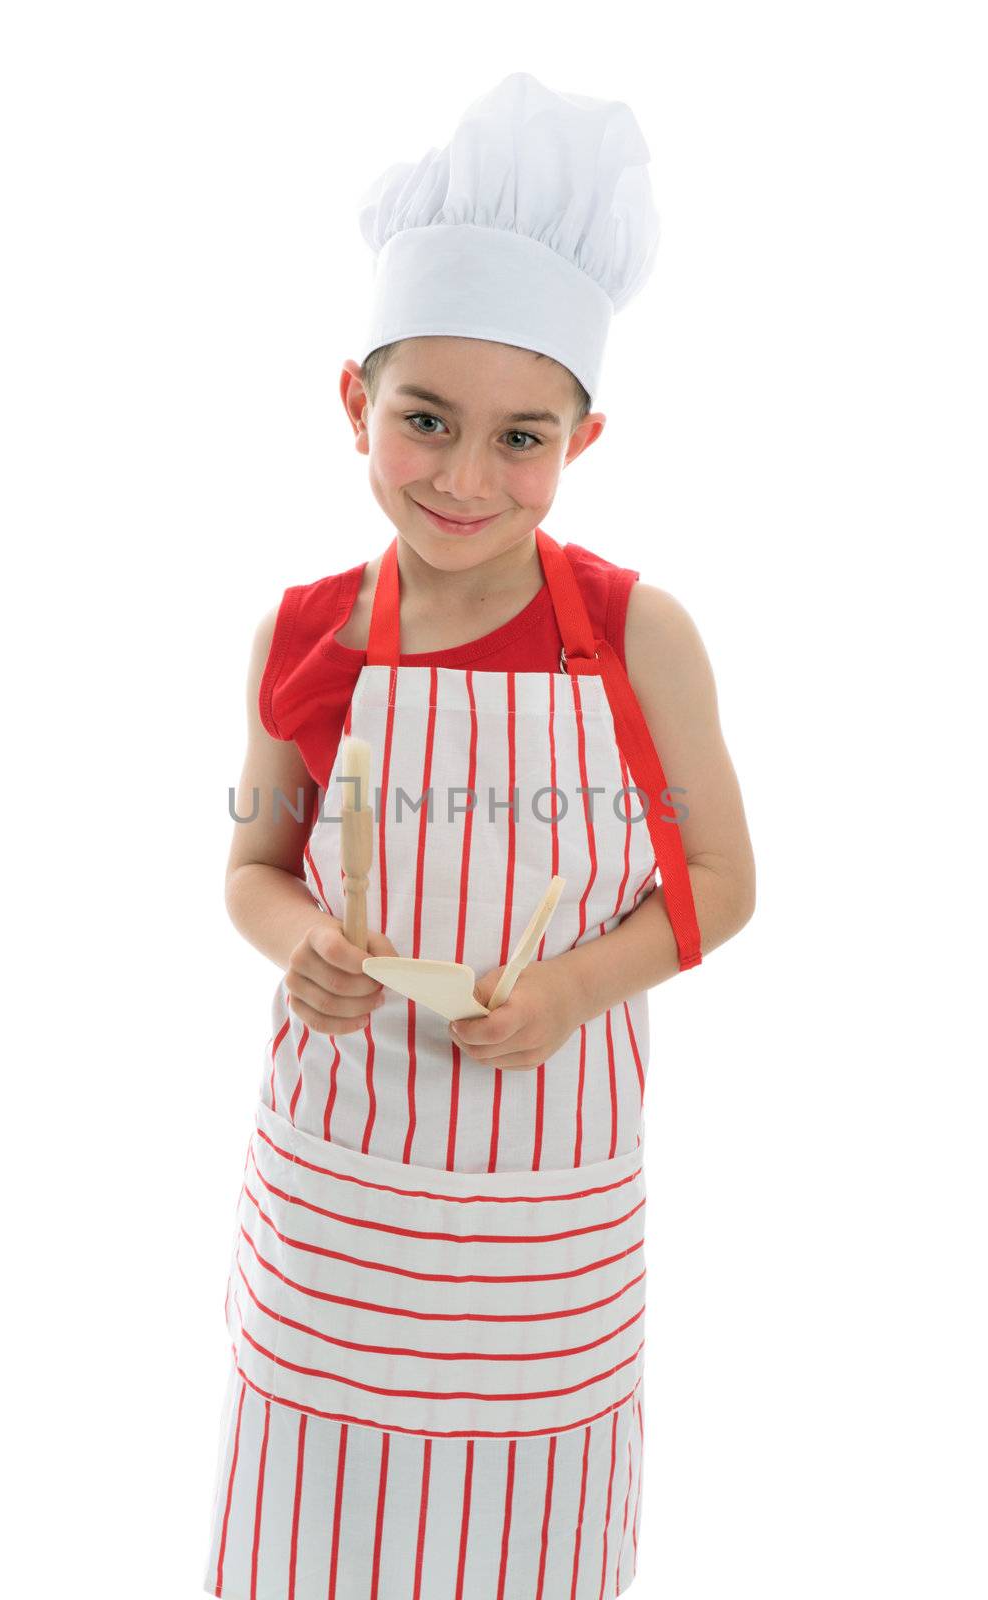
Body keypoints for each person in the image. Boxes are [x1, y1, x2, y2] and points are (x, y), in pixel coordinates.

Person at [202, 71, 755, 1599]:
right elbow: (256, 864)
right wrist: (303, 940)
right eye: (425, 419)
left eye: (522, 438)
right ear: (353, 406)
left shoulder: (638, 638)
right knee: (309, 1534)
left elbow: (723, 880)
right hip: (340, 1201)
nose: (463, 475)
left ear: (584, 435)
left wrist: (576, 988)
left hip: (539, 1232)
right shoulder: (305, 636)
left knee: (533, 1536)